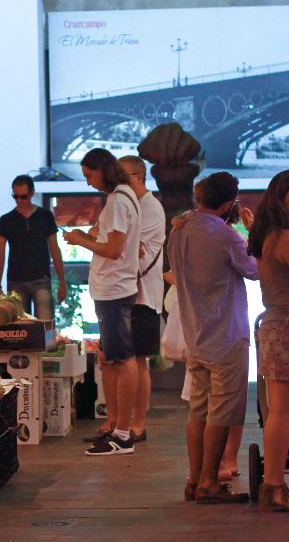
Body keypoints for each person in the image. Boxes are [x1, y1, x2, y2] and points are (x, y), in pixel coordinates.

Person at [167, 171, 257, 503]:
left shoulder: (178, 230)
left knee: (198, 410)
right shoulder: (225, 235)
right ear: (229, 202)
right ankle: (209, 482)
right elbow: (255, 269)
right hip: (227, 335)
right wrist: (254, 231)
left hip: (196, 335)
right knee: (222, 412)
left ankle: (194, 479)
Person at [63, 148, 141, 456]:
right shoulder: (122, 199)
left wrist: (81, 240)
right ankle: (118, 427)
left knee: (123, 360)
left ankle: (123, 432)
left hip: (114, 290)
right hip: (111, 289)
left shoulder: (119, 201)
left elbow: (114, 250)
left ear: (103, 170)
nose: (88, 183)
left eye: (89, 176)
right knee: (116, 358)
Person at [248, 169, 289, 513]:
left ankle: (273, 485)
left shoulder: (270, 235)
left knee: (280, 410)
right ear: (281, 197)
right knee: (283, 412)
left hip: (277, 325)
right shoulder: (288, 237)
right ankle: (274, 485)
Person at [118, 155, 165, 442]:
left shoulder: (150, 207)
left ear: (136, 177)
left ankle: (139, 423)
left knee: (138, 360)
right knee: (123, 360)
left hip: (143, 294)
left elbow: (130, 248)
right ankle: (121, 421)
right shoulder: (129, 204)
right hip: (124, 292)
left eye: (121, 176)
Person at [0, 175, 67, 323]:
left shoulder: (45, 216)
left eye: (23, 197)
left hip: (41, 278)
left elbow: (55, 249)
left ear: (32, 193)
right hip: (16, 281)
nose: (19, 201)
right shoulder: (6, 220)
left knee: (46, 327)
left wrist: (62, 281)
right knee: (21, 331)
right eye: (15, 196)